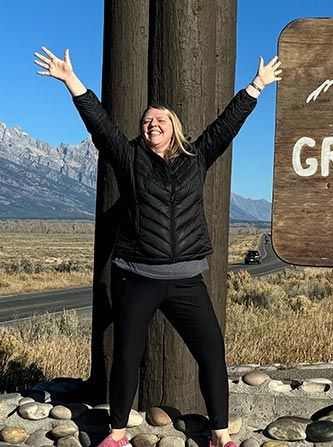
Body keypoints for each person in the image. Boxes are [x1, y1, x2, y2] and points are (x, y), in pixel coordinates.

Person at [33, 46, 281, 447]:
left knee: (212, 354)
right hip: (138, 277)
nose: (152, 124)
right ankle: (116, 434)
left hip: (187, 281)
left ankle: (220, 433)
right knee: (127, 357)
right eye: (147, 121)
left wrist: (257, 85)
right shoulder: (130, 158)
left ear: (174, 127)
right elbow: (100, 125)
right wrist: (71, 81)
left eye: (160, 120)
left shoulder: (196, 157)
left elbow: (227, 125)